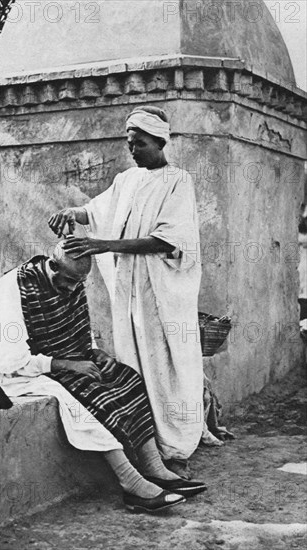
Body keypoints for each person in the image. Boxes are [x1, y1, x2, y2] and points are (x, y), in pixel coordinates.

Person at [0, 242, 206, 513]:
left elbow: (80, 329)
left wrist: (95, 353)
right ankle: (132, 484)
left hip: (70, 360)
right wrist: (64, 364)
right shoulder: (12, 288)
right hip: (25, 371)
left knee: (127, 379)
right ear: (52, 266)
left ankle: (153, 468)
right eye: (68, 281)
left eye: (78, 283)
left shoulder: (72, 281)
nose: (72, 289)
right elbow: (7, 359)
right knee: (91, 396)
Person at [48, 106, 203, 475]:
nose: (133, 150)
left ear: (161, 142)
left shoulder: (178, 181)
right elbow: (96, 210)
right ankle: (144, 445)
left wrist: (105, 245)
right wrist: (72, 212)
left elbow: (167, 241)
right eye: (129, 143)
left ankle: (177, 448)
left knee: (168, 363)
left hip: (162, 293)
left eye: (141, 144)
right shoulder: (127, 179)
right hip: (129, 292)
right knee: (134, 363)